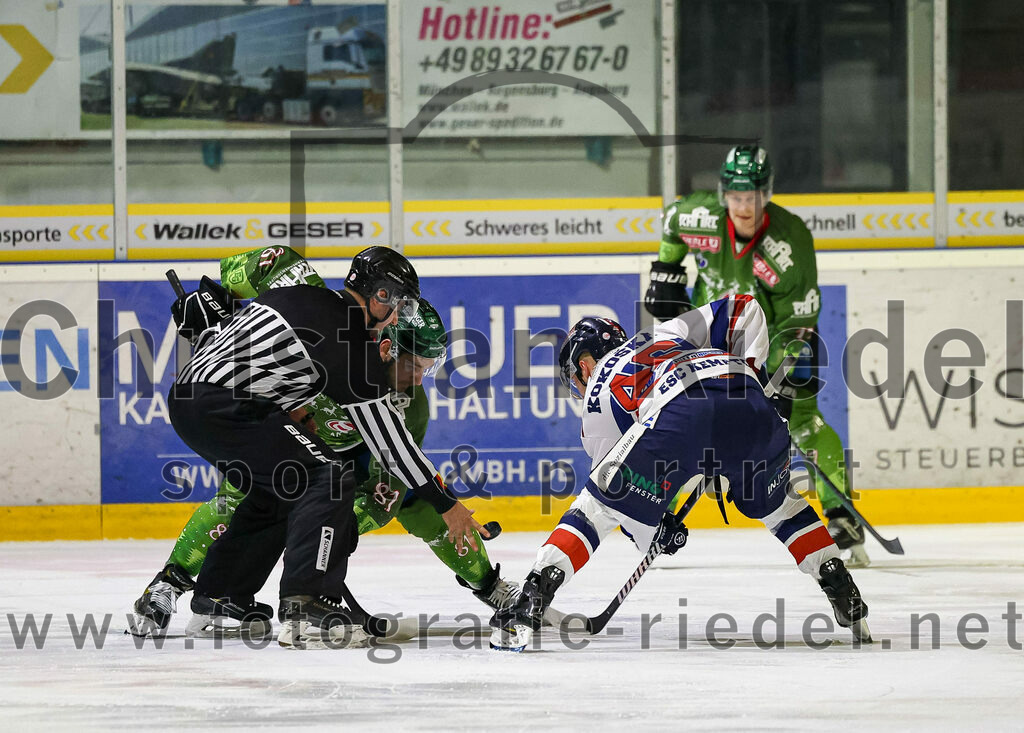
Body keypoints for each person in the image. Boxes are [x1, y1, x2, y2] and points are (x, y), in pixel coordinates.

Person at [130, 248, 519, 637]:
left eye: (427, 369)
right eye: (413, 365)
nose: (418, 381)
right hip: (235, 407)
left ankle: (222, 592)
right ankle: (294, 599)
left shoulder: (402, 396)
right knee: (316, 481)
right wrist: (217, 296)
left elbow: (392, 480)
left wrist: (330, 532)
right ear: (386, 342)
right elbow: (269, 260)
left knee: (289, 490)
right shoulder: (354, 349)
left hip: (219, 402)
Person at [489, 295, 870, 652]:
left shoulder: (597, 397)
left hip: (681, 414)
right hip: (752, 405)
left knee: (595, 507)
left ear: (584, 364)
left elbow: (623, 501)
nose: (578, 386)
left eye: (575, 377)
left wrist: (656, 532)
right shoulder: (663, 333)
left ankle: (534, 595)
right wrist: (753, 381)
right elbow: (743, 308)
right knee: (782, 506)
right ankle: (837, 581)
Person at [644, 144, 869, 567]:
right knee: (682, 420)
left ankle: (842, 515)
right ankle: (657, 516)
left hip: (784, 338)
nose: (744, 207)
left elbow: (799, 321)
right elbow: (671, 223)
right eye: (736, 197)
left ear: (766, 194)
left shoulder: (790, 241)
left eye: (752, 197)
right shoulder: (700, 217)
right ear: (723, 194)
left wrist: (776, 380)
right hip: (713, 336)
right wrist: (666, 269)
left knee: (802, 422)